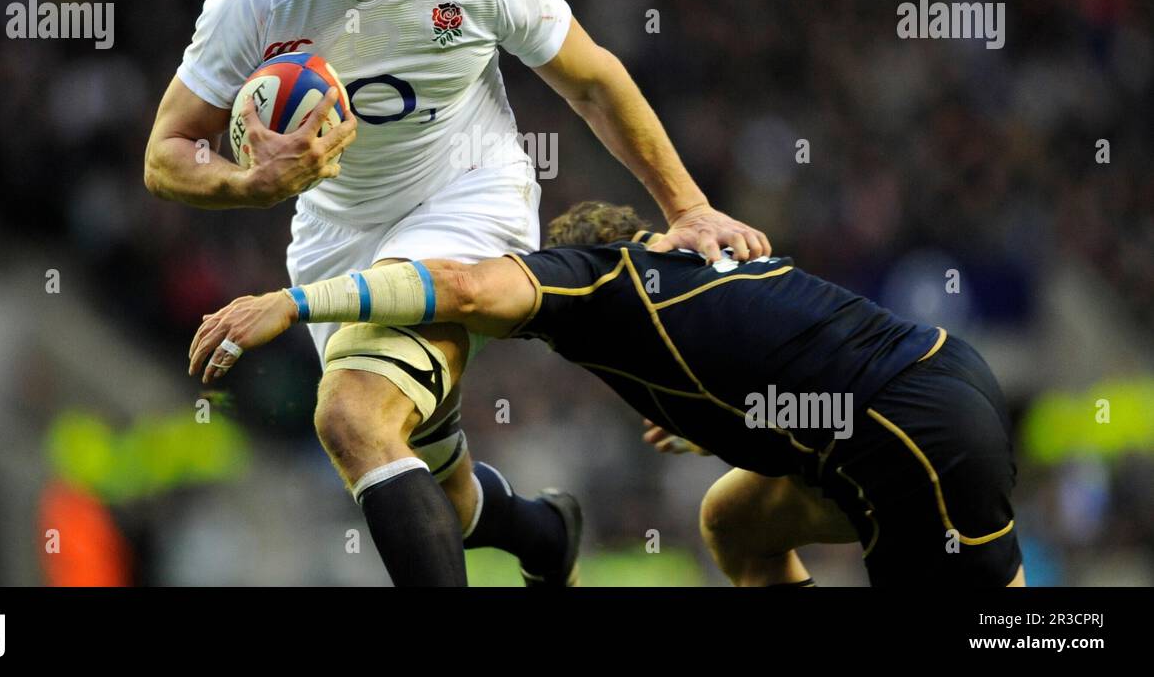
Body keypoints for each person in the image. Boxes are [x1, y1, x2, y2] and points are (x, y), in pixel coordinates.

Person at [144, 0, 770, 587]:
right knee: (437, 481)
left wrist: (687, 207)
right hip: (338, 232)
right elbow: (165, 154)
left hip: (467, 197)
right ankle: (541, 533)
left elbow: (591, 80)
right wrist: (249, 186)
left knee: (352, 417)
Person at [190, 200, 1025, 587]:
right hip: (922, 396)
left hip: (909, 435)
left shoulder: (604, 285)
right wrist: (730, 423)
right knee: (734, 523)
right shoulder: (695, 273)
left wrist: (293, 303)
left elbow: (461, 287)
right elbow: (786, 347)